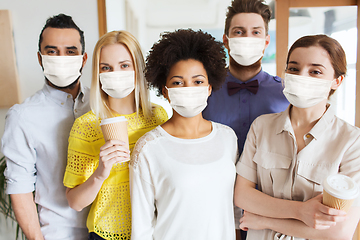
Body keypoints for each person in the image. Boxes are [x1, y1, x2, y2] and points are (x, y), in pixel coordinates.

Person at [234, 34, 360, 240]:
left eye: (315, 71)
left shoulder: (352, 141)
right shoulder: (262, 126)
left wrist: (265, 220)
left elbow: (339, 232)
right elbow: (243, 195)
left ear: (337, 81)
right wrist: (300, 212)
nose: (302, 76)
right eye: (293, 68)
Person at [130, 29, 238, 240]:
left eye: (197, 81)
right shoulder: (148, 148)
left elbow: (231, 209)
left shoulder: (228, 138)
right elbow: (141, 229)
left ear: (209, 88)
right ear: (165, 90)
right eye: (178, 82)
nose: (189, 88)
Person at [63, 30, 168, 240]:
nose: (115, 73)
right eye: (106, 68)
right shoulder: (87, 126)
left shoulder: (159, 117)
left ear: (137, 68)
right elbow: (74, 202)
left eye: (124, 65)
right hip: (107, 233)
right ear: (98, 73)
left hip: (155, 230)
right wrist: (101, 172)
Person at [202, 1, 289, 238]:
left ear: (266, 41)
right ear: (226, 40)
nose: (247, 38)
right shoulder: (204, 91)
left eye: (256, 32)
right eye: (239, 32)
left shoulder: (286, 94)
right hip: (214, 205)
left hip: (270, 209)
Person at [1, 14, 90, 240]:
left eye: (70, 51)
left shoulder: (101, 105)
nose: (61, 58)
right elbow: (19, 186)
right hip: (58, 233)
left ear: (84, 58)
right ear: (40, 58)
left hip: (109, 229)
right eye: (52, 52)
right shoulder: (23, 116)